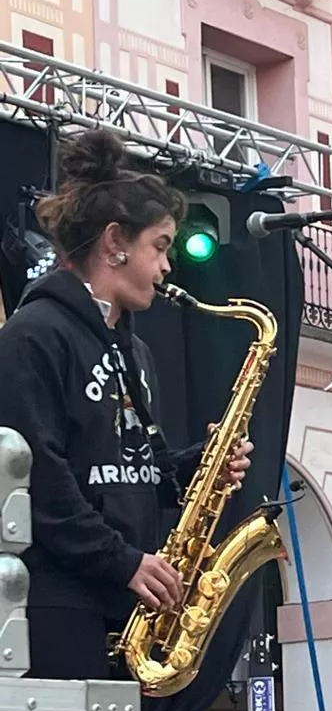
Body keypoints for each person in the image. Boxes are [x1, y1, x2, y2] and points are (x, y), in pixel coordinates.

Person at [0, 130, 252, 681]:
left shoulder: (133, 349)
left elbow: (137, 464)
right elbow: (39, 476)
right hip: (60, 603)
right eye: (160, 246)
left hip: (123, 600)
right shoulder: (34, 335)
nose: (167, 267)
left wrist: (199, 464)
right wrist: (122, 559)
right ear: (116, 241)